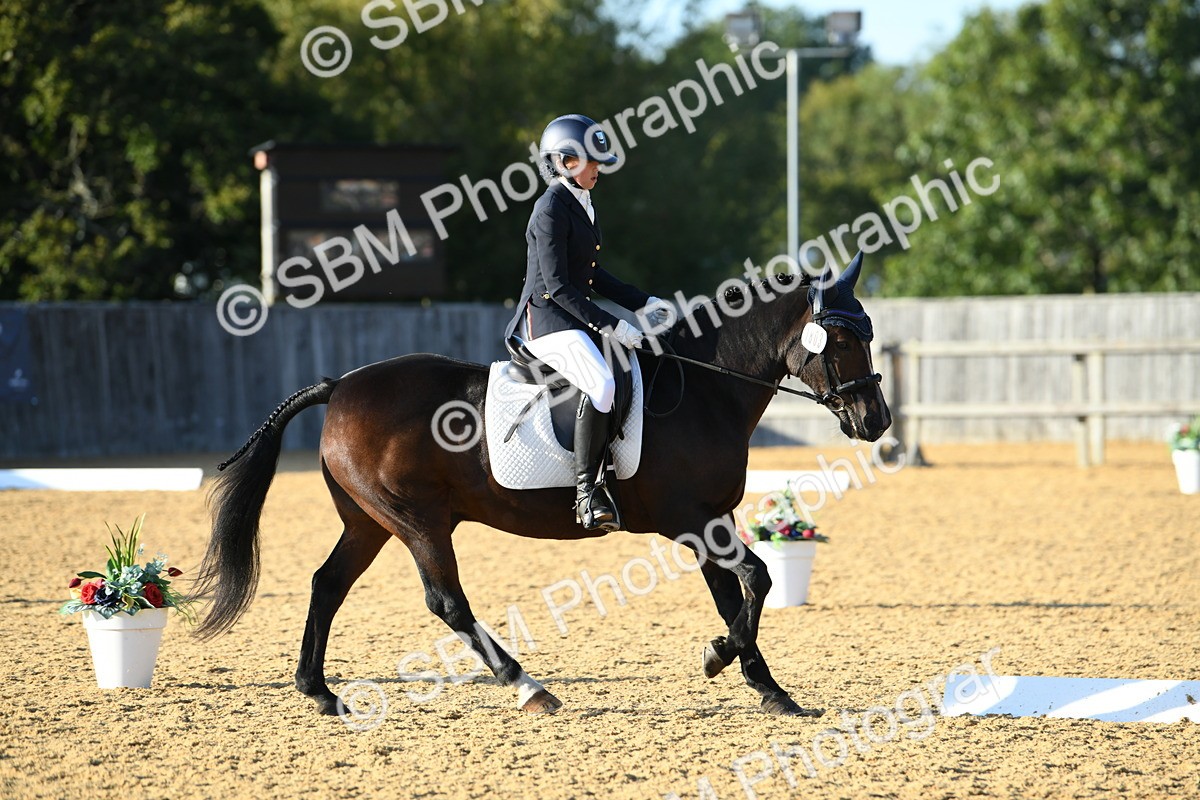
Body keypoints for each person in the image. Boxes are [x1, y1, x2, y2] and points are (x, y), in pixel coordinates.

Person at [504, 114, 674, 531]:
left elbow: (591, 274)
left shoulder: (582, 203)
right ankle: (586, 493)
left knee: (628, 370)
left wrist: (642, 301)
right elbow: (559, 288)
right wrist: (613, 326)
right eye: (591, 161)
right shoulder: (549, 210)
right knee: (601, 384)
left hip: (572, 318)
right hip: (545, 320)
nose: (599, 168)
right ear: (564, 161)